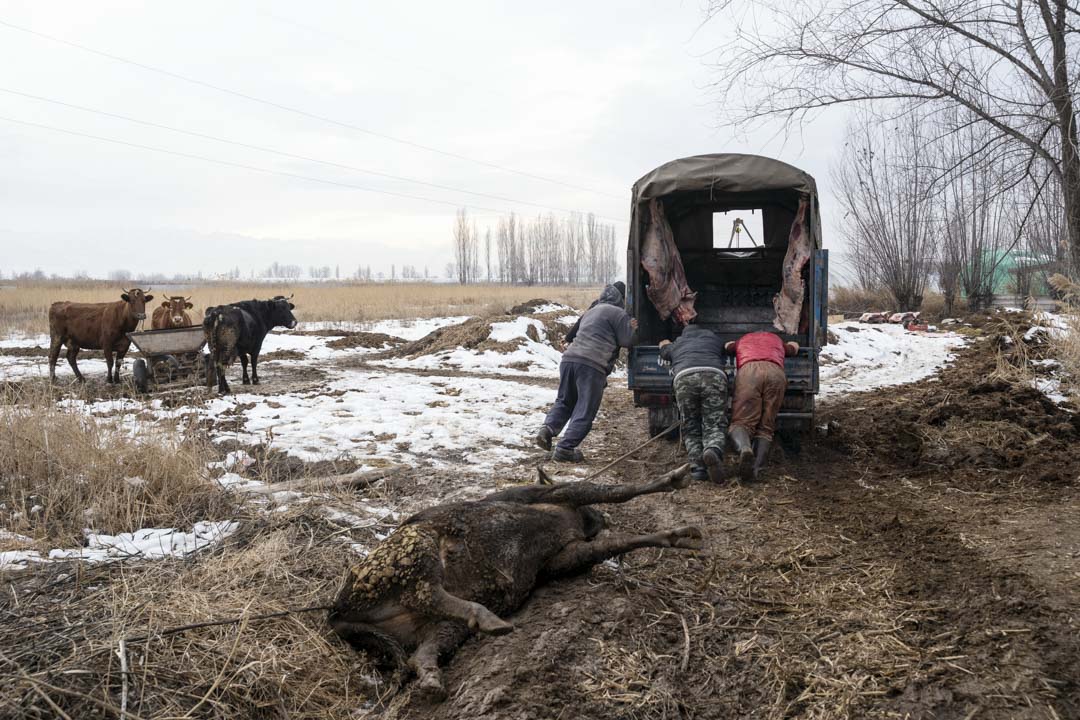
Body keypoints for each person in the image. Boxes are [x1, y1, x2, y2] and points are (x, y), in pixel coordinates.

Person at [536, 283, 636, 462]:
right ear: (621, 298)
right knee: (585, 409)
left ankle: (547, 429)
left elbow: (572, 334)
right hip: (591, 365)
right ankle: (565, 450)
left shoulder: (592, 311)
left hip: (569, 360)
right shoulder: (618, 313)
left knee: (565, 401)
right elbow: (628, 341)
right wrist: (633, 327)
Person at [658, 321, 728, 483]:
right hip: (714, 376)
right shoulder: (714, 340)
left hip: (684, 378)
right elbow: (727, 348)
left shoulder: (678, 343)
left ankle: (697, 468)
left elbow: (664, 352)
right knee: (714, 422)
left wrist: (664, 344)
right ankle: (713, 450)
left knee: (690, 424)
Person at [725, 331, 800, 481]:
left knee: (741, 422)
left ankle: (744, 448)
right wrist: (793, 344)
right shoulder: (776, 340)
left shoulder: (742, 339)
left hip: (749, 372)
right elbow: (793, 348)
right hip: (775, 372)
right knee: (766, 427)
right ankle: (756, 469)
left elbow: (728, 347)